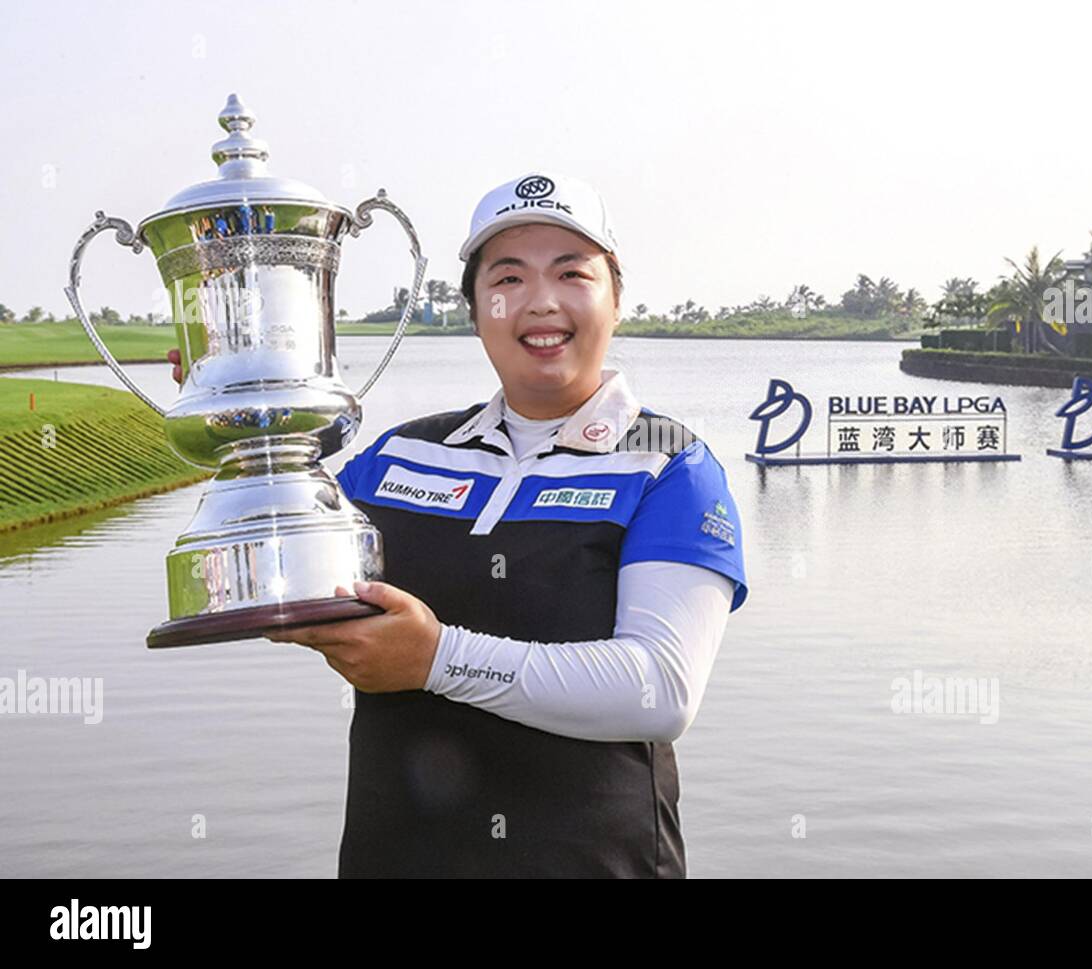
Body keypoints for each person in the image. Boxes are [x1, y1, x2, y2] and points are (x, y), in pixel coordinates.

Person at [168, 171, 748, 877]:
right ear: (475, 307)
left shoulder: (671, 466)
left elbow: (658, 688)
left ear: (616, 300)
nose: (540, 301)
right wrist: (243, 417)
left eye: (573, 273)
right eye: (508, 277)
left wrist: (435, 658)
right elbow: (281, 565)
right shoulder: (397, 456)